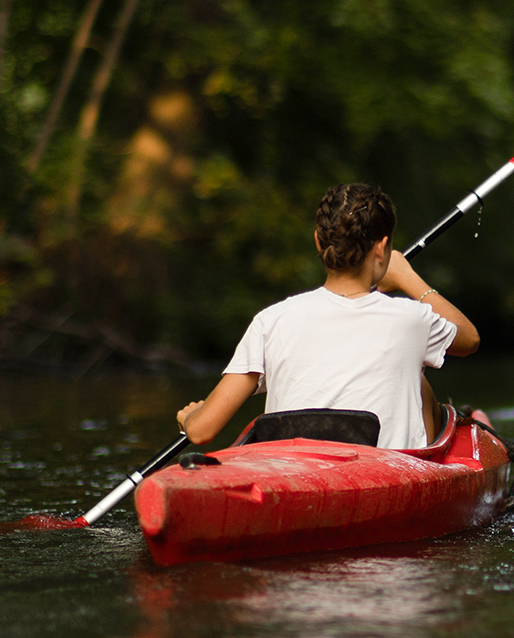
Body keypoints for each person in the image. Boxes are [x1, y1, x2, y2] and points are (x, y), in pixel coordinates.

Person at [172, 183, 479, 450]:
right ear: (382, 248)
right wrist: (408, 278)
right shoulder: (412, 319)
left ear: (318, 241)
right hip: (381, 478)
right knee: (421, 385)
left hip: (291, 477)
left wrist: (190, 417)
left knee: (419, 384)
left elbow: (201, 431)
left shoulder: (271, 320)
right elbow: (469, 339)